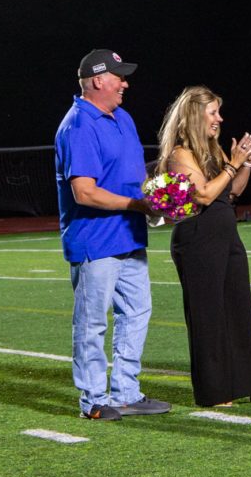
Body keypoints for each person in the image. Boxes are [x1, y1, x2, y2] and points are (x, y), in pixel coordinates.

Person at [54, 49, 171, 421]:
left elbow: (133, 176)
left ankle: (125, 392)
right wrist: (137, 206)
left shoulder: (122, 117)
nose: (125, 83)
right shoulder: (78, 125)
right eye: (119, 76)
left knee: (137, 314)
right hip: (96, 241)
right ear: (97, 80)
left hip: (130, 238)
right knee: (92, 323)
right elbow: (84, 192)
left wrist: (163, 194)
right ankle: (92, 400)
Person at [156, 86, 251, 407]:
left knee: (240, 309)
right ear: (195, 114)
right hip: (197, 240)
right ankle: (215, 391)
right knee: (208, 316)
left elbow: (231, 191)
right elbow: (204, 195)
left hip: (226, 236)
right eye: (213, 112)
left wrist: (246, 163)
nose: (219, 119)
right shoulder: (181, 154)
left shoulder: (214, 149)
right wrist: (232, 164)